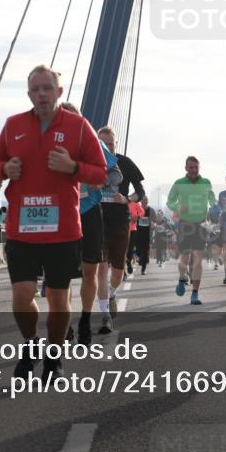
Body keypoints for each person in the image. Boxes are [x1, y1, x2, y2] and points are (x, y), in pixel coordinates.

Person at [0, 65, 106, 382]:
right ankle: (30, 345)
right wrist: (5, 168)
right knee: (22, 295)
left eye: (47, 88)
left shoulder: (79, 127)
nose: (41, 94)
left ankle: (54, 357)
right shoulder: (13, 124)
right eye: (35, 89)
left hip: (63, 229)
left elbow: (100, 173)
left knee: (58, 299)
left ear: (59, 91)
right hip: (21, 227)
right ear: (29, 93)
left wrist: (72, 167)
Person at [59, 102, 116, 345]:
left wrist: (101, 181)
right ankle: (66, 323)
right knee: (62, 274)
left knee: (90, 271)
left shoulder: (94, 141)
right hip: (62, 213)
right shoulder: (50, 141)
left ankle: (85, 318)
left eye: (73, 117)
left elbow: (115, 173)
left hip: (90, 212)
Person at [96, 126, 145, 325]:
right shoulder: (91, 164)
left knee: (117, 270)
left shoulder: (124, 162)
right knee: (101, 268)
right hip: (97, 221)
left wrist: (126, 198)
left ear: (115, 144)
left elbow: (140, 191)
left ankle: (112, 293)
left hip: (120, 222)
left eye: (110, 144)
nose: (106, 148)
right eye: (102, 144)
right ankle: (105, 314)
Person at [166, 156, 216, 305]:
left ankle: (195, 293)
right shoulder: (179, 183)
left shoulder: (206, 183)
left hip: (201, 225)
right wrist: (177, 208)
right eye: (191, 167)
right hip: (185, 224)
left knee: (198, 258)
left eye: (196, 167)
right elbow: (170, 201)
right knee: (185, 258)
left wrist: (216, 206)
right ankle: (182, 278)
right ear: (186, 168)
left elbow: (212, 199)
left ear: (199, 168)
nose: (194, 170)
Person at [133, 195, 154, 275]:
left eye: (145, 202)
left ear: (147, 202)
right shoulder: (138, 209)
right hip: (138, 232)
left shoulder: (150, 210)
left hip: (147, 233)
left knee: (145, 251)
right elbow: (134, 218)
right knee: (138, 250)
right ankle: (140, 257)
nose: (144, 204)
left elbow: (154, 220)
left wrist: (153, 224)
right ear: (141, 202)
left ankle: (143, 269)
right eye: (143, 202)